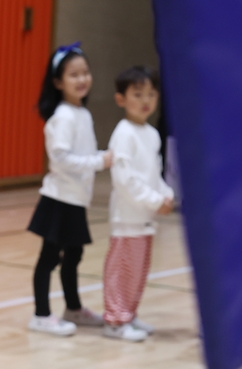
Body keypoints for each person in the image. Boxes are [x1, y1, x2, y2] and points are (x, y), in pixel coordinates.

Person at [27, 42, 113, 336]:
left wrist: (98, 157)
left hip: (76, 199)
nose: (82, 79)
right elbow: (61, 158)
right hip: (59, 199)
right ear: (58, 82)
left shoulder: (81, 113)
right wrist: (100, 160)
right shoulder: (62, 116)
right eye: (74, 74)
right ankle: (40, 314)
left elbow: (80, 153)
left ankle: (73, 308)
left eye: (85, 73)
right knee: (49, 258)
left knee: (73, 256)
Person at [102, 66, 174, 342]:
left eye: (151, 94)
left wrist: (164, 193)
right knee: (122, 270)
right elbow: (125, 179)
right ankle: (115, 319)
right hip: (127, 218)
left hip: (145, 219)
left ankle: (129, 314)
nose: (145, 100)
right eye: (137, 94)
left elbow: (154, 174)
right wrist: (155, 201)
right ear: (121, 99)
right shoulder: (124, 134)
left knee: (139, 271)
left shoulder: (152, 134)